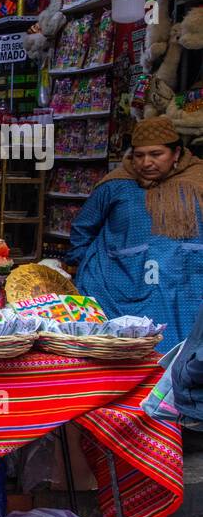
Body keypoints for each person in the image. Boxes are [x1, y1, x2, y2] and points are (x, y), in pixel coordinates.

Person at [66, 116, 203, 351]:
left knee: (183, 355)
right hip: (119, 287)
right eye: (139, 155)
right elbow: (82, 229)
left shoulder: (197, 181)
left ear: (176, 153)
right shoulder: (116, 184)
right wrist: (85, 265)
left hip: (186, 288)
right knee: (123, 352)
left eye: (156, 154)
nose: (146, 162)